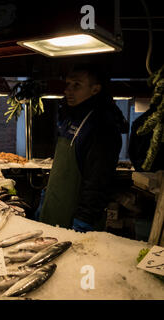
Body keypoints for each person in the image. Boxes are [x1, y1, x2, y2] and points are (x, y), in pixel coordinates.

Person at [39, 64, 129, 233]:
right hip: (54, 209)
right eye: (68, 84)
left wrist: (84, 219)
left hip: (75, 219)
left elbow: (98, 179)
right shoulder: (70, 118)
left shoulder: (102, 126)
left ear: (95, 89)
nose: (68, 90)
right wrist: (46, 196)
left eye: (77, 85)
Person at [128, 104, 164, 172]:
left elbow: (131, 150)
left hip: (143, 166)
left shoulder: (139, 121)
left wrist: (137, 165)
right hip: (158, 167)